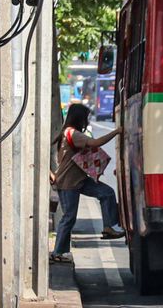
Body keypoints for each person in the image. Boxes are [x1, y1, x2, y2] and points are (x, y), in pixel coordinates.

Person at [50, 103, 124, 263]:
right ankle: (58, 252)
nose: (87, 122)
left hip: (80, 180)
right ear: (79, 118)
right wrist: (116, 132)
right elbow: (95, 143)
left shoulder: (68, 132)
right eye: (85, 118)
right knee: (69, 217)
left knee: (107, 193)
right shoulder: (73, 134)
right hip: (69, 183)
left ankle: (108, 227)